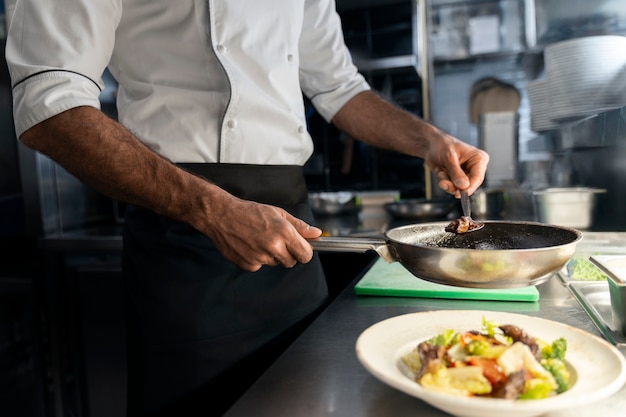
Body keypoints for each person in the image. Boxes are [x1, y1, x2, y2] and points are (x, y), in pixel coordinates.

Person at [5, 1, 489, 416]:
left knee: (307, 398)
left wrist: (430, 141)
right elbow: (50, 102)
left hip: (294, 244)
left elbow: (339, 86)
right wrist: (212, 210)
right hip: (182, 239)